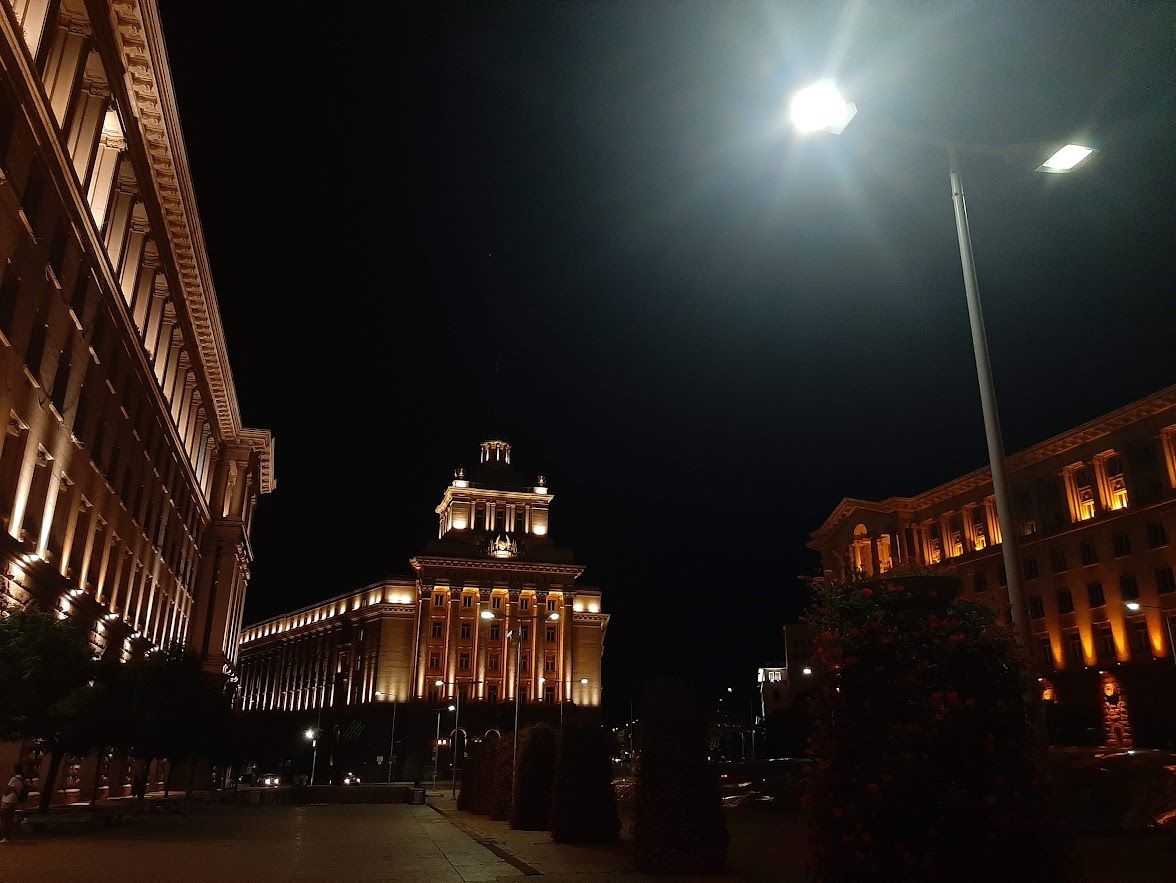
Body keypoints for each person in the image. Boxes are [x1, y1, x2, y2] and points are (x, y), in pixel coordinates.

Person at [1, 762, 26, 843]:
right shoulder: (22, 779)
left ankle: (5, 836)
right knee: (9, 818)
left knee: (5, 819)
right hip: (14, 800)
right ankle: (8, 836)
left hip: (8, 800)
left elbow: (8, 790)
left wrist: (3, 794)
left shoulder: (14, 779)